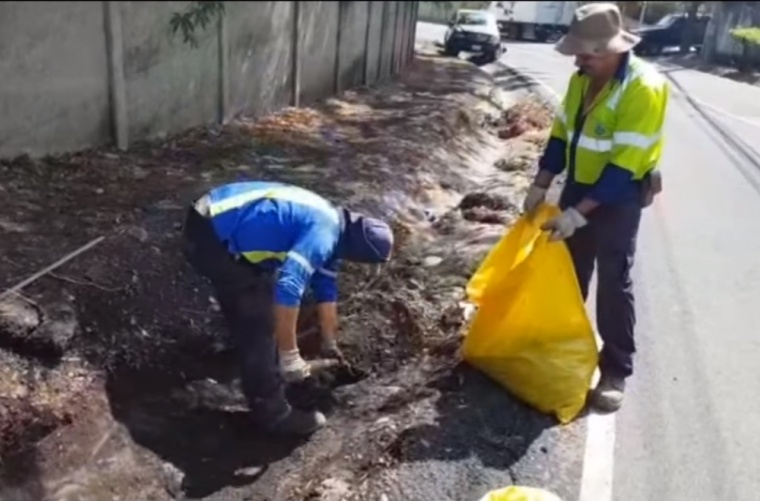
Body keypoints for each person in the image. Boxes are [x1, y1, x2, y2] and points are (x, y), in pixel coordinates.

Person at [522, 3, 669, 412]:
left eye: (586, 53)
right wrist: (541, 184)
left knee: (613, 281)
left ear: (613, 50)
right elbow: (559, 135)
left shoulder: (644, 87)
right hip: (580, 187)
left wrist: (578, 213)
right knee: (568, 274)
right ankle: (565, 352)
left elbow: (624, 167)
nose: (578, 59)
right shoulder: (580, 80)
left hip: (620, 197)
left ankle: (616, 368)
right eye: (577, 52)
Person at [183, 181, 394, 435]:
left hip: (216, 217)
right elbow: (290, 286)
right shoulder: (323, 235)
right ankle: (271, 413)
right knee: (261, 323)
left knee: (261, 303)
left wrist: (329, 342)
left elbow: (326, 288)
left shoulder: (333, 224)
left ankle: (246, 356)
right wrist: (290, 355)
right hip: (211, 235)